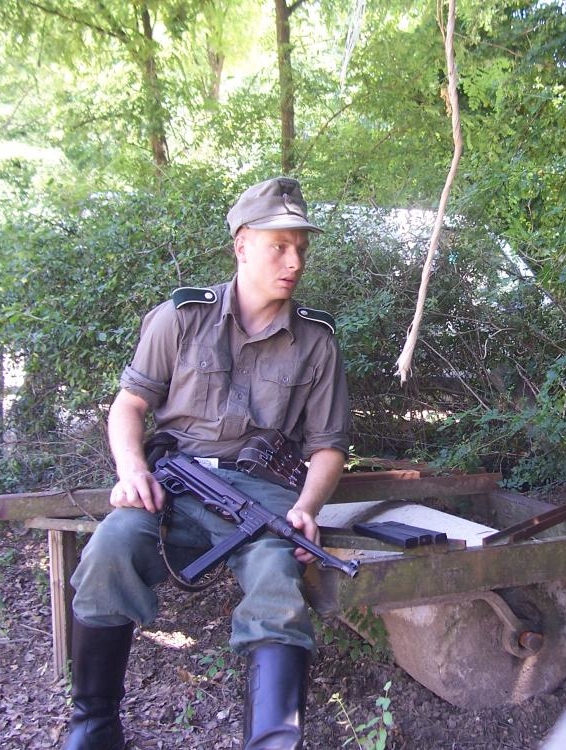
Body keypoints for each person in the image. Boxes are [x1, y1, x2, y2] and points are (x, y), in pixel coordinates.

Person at [61, 177, 351, 750]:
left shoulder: (316, 342)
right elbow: (129, 405)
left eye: (301, 248)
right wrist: (131, 470)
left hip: (263, 495)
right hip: (176, 485)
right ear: (242, 245)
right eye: (279, 246)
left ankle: (272, 741)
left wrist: (307, 508)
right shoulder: (181, 319)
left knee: (277, 585)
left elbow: (329, 447)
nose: (294, 262)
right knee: (109, 550)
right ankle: (92, 726)